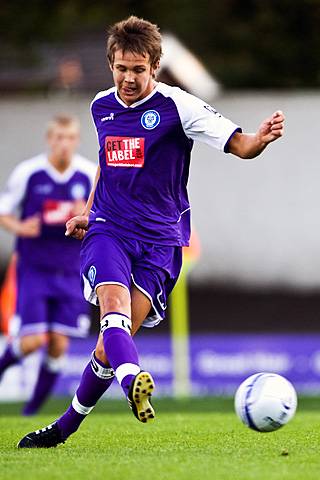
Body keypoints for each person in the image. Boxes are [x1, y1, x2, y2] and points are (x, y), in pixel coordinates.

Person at [18, 16, 285, 448]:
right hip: (109, 229)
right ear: (111, 65)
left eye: (138, 69)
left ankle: (64, 426)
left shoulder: (180, 107)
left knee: (110, 346)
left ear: (154, 67)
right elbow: (107, 163)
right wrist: (89, 212)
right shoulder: (101, 106)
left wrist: (262, 137)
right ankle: (133, 382)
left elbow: (241, 146)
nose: (128, 77)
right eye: (121, 68)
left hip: (161, 241)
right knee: (113, 306)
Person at [0, 115, 95, 415]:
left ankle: (30, 413)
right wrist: (20, 227)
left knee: (57, 345)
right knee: (31, 342)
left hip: (72, 271)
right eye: (58, 137)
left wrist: (88, 220)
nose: (63, 144)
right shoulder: (29, 173)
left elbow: (104, 217)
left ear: (76, 140)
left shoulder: (88, 175)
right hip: (34, 268)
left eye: (69, 137)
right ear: (49, 139)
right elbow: (3, 212)